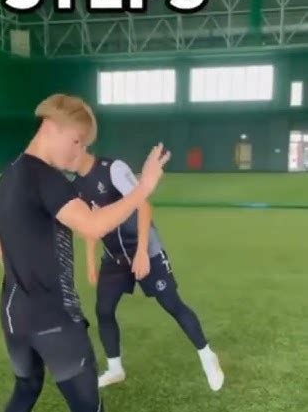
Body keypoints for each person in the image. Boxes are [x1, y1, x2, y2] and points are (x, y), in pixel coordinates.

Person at [0, 94, 170, 412]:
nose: (79, 154)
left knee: (26, 387)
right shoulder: (45, 177)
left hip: (13, 314)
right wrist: (143, 188)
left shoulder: (9, 177)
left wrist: (25, 281)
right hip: (54, 318)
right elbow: (94, 226)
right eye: (76, 142)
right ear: (52, 129)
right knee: (87, 407)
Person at [69, 150, 224, 392]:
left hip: (145, 249)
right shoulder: (76, 186)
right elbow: (91, 225)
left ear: (79, 144)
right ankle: (115, 369)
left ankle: (207, 356)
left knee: (172, 304)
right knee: (104, 310)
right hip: (114, 257)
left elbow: (144, 206)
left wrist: (142, 251)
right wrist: (90, 263)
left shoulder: (112, 169)